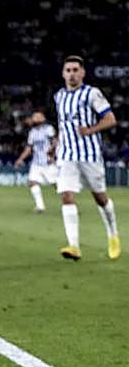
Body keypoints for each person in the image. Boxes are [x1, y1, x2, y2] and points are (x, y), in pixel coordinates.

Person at [53, 56, 119, 260]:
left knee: (100, 198)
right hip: (66, 155)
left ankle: (113, 235)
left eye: (75, 70)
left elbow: (110, 119)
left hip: (89, 154)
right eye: (68, 70)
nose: (72, 74)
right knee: (66, 195)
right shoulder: (59, 96)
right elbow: (64, 125)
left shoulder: (92, 93)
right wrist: (55, 144)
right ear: (63, 73)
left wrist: (91, 130)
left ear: (82, 73)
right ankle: (74, 246)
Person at [11, 110, 56, 214]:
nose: (32, 120)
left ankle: (69, 203)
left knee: (56, 184)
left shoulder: (48, 129)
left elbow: (55, 142)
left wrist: (53, 155)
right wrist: (20, 159)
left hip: (48, 162)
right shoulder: (32, 132)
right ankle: (40, 206)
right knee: (32, 182)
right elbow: (28, 148)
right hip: (36, 162)